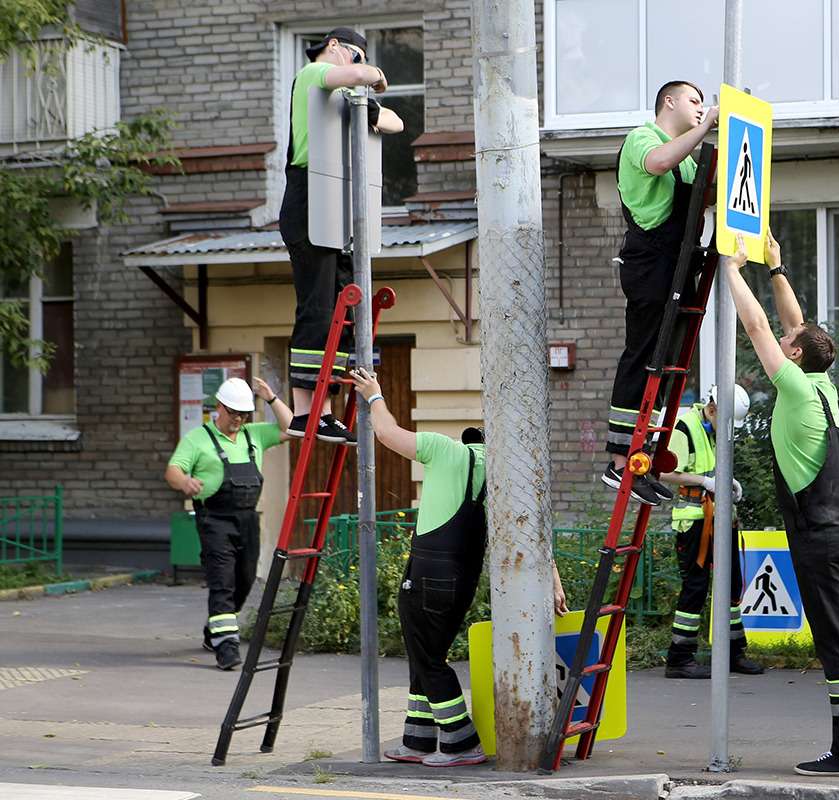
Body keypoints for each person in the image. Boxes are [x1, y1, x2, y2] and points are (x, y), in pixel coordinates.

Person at [723, 231, 839, 777]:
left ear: (796, 356)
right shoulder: (824, 385)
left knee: (838, 645)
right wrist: (776, 267)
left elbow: (758, 328)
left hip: (819, 535)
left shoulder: (795, 386)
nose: (787, 337)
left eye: (792, 341)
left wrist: (732, 270)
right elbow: (796, 328)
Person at [348, 368, 567, 768]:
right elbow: (534, 535)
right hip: (463, 580)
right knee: (426, 651)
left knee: (429, 659)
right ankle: (418, 737)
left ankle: (460, 741)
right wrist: (553, 583)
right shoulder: (505, 478)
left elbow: (387, 433)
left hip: (428, 571)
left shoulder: (443, 449)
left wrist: (374, 394)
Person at [279, 27, 404, 445]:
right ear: (333, 47)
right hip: (309, 200)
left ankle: (326, 410)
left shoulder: (341, 104)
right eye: (352, 54)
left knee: (340, 306)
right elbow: (354, 78)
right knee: (315, 307)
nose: (355, 63)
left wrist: (370, 94)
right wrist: (372, 75)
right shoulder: (312, 74)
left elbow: (395, 122)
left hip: (335, 209)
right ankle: (302, 413)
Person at [602, 80, 719, 506]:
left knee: (666, 361)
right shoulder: (643, 138)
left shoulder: (686, 156)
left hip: (677, 261)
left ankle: (642, 458)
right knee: (644, 353)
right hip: (650, 260)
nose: (700, 106)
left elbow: (701, 193)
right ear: (668, 102)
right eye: (694, 100)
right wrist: (705, 128)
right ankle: (618, 460)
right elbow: (656, 163)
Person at [164, 377, 292, 671]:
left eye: (243, 413)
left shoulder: (254, 435)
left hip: (247, 520)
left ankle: (215, 632)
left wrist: (271, 398)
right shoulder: (197, 439)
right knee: (222, 582)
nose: (238, 419)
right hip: (215, 521)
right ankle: (227, 648)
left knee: (245, 580)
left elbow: (292, 429)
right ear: (218, 408)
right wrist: (184, 481)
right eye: (233, 412)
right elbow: (173, 470)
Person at [656, 385, 763, 679]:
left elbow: (714, 469)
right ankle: (679, 658)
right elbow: (663, 472)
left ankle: (733, 652)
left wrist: (727, 482)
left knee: (731, 584)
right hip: (694, 519)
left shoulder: (715, 429)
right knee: (696, 586)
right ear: (713, 409)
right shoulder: (685, 428)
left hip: (719, 514)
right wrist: (705, 481)